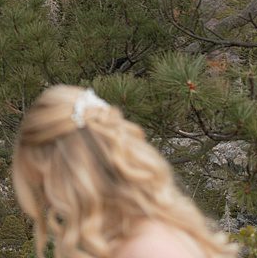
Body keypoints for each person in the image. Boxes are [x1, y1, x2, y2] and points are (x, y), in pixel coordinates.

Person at [12, 85, 237, 258]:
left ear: (71, 175)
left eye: (43, 185)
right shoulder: (143, 232)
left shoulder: (147, 248)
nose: (48, 202)